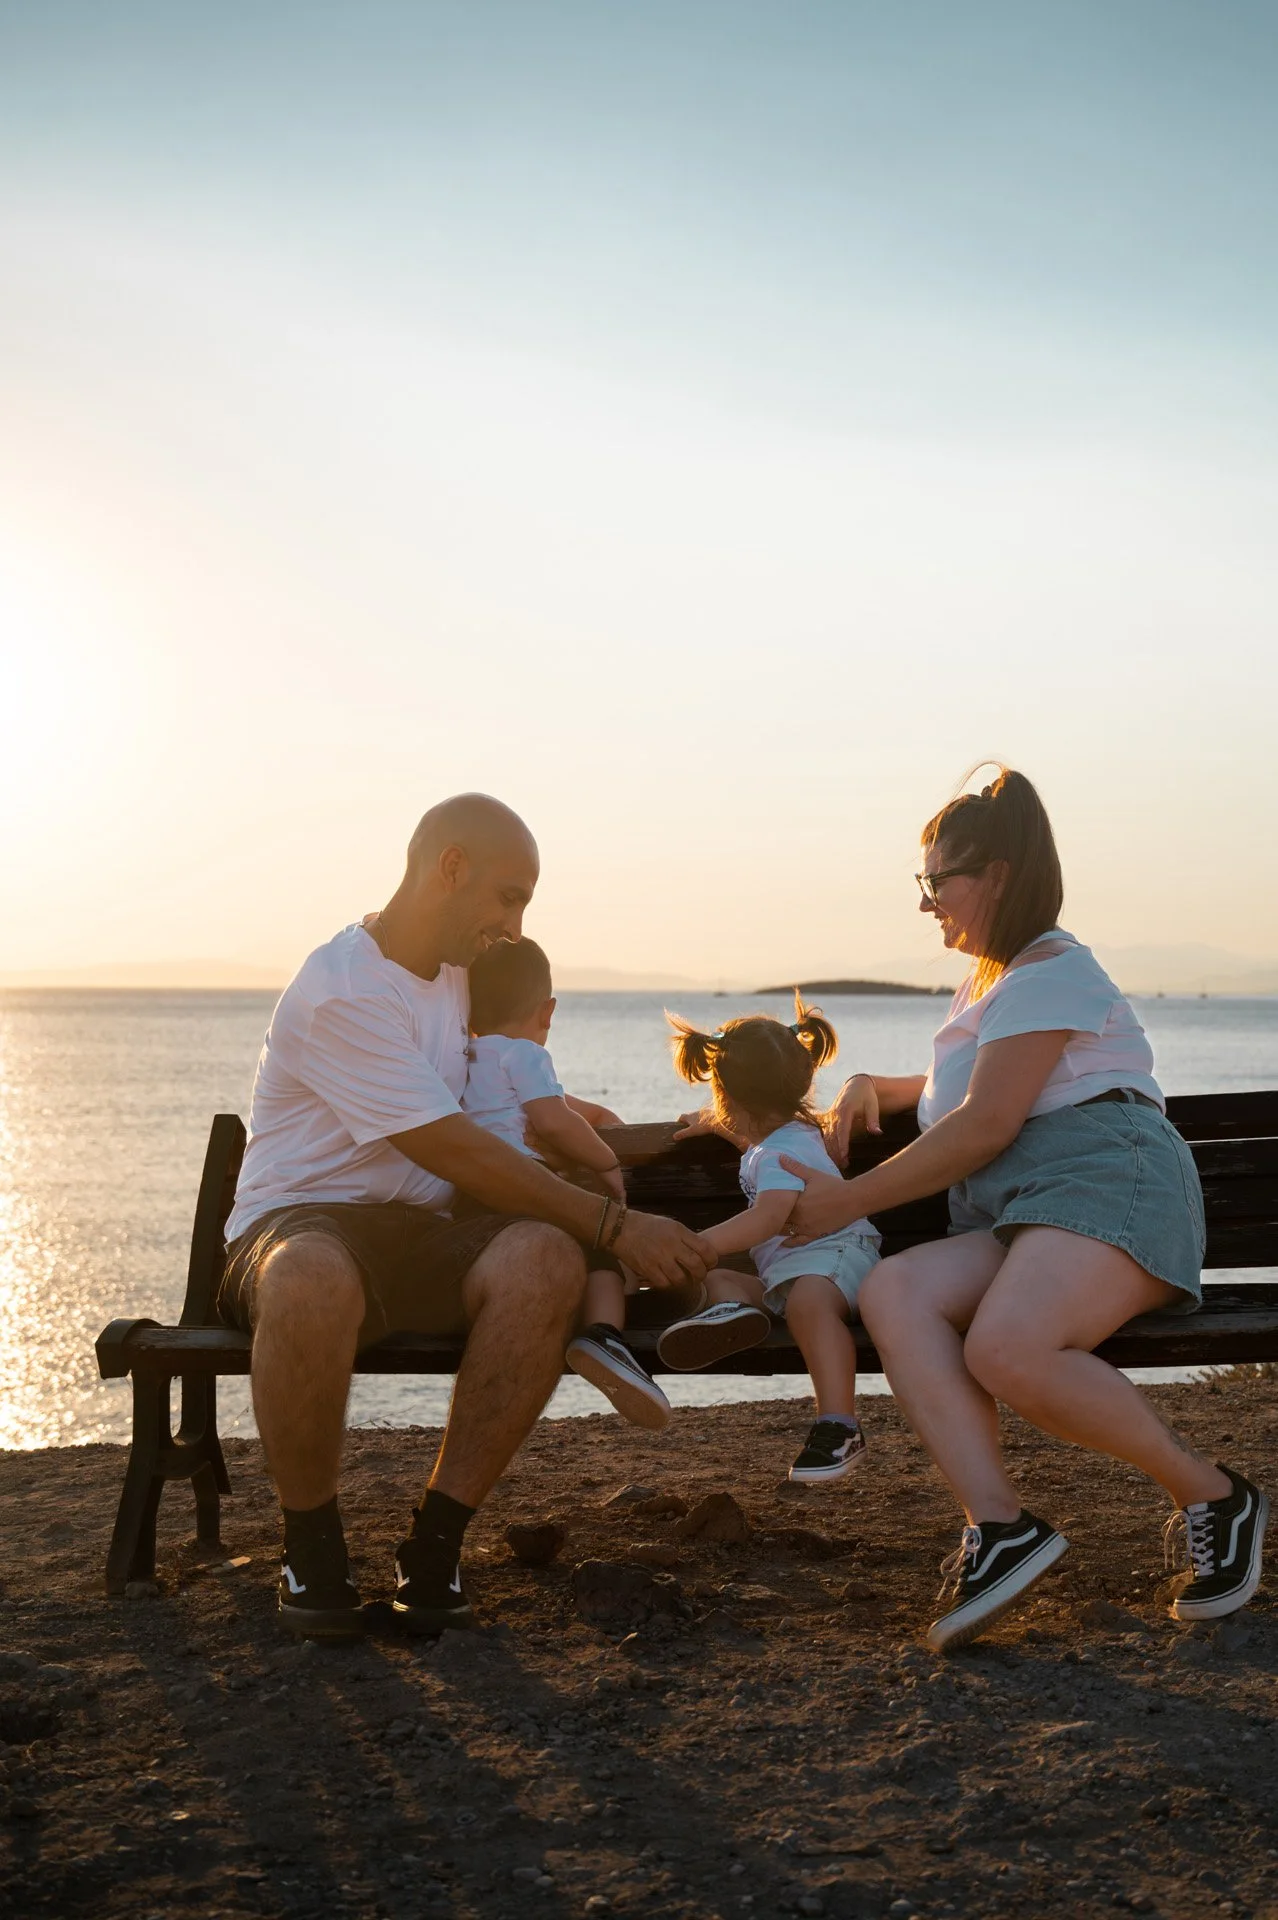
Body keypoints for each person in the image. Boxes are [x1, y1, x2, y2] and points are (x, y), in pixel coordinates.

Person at [779, 767, 1267, 1650]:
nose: (927, 903)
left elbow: (987, 1123)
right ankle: (1000, 1528)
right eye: (920, 882)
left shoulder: (1053, 969)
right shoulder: (988, 986)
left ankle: (1214, 1496)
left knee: (1005, 1348)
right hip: (1022, 1209)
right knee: (893, 1291)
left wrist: (844, 1200)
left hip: (1107, 1182)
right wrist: (867, 1084)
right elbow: (958, 1099)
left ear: (997, 875)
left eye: (938, 881)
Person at [218, 794, 713, 1640]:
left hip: (421, 1235)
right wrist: (617, 1227)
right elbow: (459, 1150)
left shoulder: (458, 976)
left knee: (544, 1262)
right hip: (300, 1223)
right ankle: (314, 1549)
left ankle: (436, 1545)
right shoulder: (341, 988)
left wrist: (642, 1132)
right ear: (449, 868)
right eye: (508, 896)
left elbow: (506, 1097)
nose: (516, 926)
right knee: (309, 1277)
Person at [660, 998, 882, 1482]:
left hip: (836, 1258)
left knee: (806, 1306)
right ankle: (735, 1313)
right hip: (798, 1269)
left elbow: (766, 1220)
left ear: (725, 1093)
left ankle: (839, 1424)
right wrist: (717, 1123)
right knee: (724, 1281)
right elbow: (755, 1141)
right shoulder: (787, 1136)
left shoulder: (782, 1150)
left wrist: (699, 1244)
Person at [462, 935, 674, 1429]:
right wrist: (606, 1164)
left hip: (470, 1196)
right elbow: (554, 1121)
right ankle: (604, 1336)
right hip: (521, 1180)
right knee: (597, 1243)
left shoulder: (462, 1059)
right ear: (547, 1010)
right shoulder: (526, 1055)